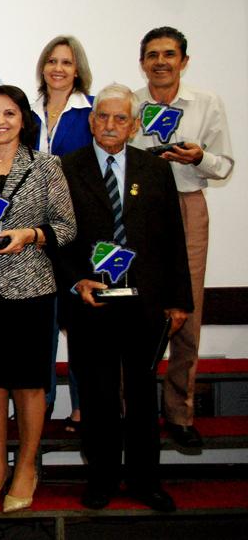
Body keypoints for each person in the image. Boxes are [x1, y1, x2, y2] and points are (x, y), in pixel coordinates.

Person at [60, 83, 191, 512]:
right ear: (91, 121)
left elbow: (173, 236)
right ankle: (100, 477)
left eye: (120, 118)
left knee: (140, 394)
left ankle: (144, 480)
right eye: (102, 116)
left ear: (135, 125)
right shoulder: (66, 168)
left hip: (146, 302)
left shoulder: (154, 170)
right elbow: (58, 238)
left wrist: (178, 301)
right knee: (96, 396)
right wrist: (78, 280)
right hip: (92, 301)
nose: (110, 125)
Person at [0, 85, 76, 513]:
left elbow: (66, 228)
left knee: (27, 384)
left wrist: (32, 235)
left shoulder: (45, 166)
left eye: (9, 113)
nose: (0, 122)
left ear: (23, 119)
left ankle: (26, 467)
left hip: (28, 290)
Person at [129, 26, 234, 450]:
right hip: (138, 212)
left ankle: (179, 412)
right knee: (132, 307)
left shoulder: (206, 103)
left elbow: (224, 165)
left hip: (188, 204)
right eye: (152, 55)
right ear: (142, 62)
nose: (160, 62)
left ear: (183, 61)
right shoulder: (129, 103)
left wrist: (198, 157)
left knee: (186, 310)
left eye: (169, 54)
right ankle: (128, 410)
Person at [32, 35, 95, 433]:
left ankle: (81, 406)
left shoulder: (89, 112)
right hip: (34, 230)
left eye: (66, 63)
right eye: (52, 61)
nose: (58, 68)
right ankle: (42, 404)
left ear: (78, 70)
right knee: (42, 325)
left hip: (77, 227)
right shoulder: (29, 111)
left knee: (81, 323)